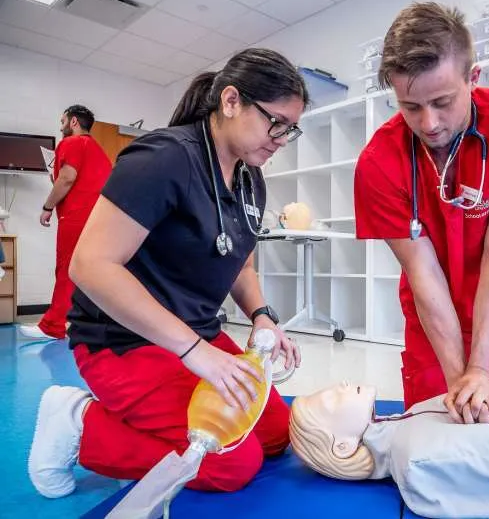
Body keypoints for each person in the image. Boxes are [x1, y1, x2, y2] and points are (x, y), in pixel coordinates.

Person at [27, 47, 306, 499]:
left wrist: (261, 316)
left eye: (289, 129)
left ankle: (140, 415)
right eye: (275, 121)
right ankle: (79, 424)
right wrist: (194, 350)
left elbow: (242, 260)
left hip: (194, 334)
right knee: (229, 464)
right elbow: (90, 265)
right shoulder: (165, 158)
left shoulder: (250, 177)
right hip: (123, 340)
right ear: (231, 101)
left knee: (275, 434)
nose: (280, 137)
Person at [353, 2, 489, 424]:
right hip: (434, 332)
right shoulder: (378, 163)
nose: (429, 122)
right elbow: (423, 273)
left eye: (442, 101)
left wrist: (482, 370)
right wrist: (462, 381)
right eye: (410, 107)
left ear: (473, 77)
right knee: (441, 445)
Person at [289, 382, 489, 519]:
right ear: (343, 446)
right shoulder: (417, 460)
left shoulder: (409, 425)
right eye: (333, 398)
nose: (343, 384)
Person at [19, 105, 112, 341]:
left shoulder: (70, 143)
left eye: (62, 121)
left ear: (73, 122)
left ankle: (53, 326)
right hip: (98, 219)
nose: (61, 127)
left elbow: (67, 178)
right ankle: (86, 323)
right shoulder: (99, 151)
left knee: (66, 269)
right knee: (88, 272)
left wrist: (47, 207)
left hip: (76, 216)